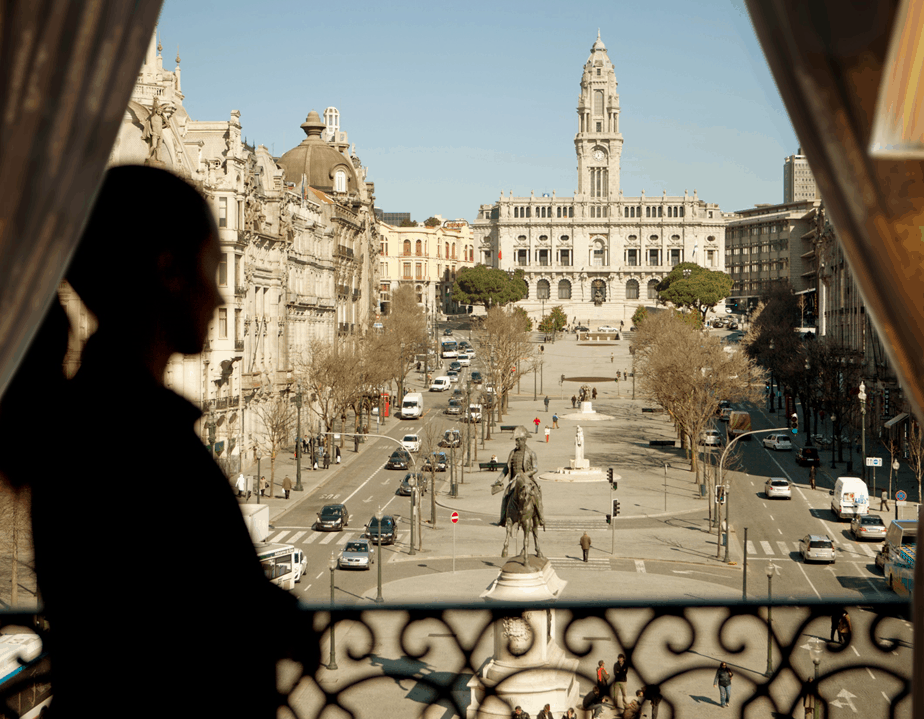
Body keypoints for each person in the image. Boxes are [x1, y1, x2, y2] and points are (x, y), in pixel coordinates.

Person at [11, 165, 313, 718]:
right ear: (168, 270)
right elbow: (165, 621)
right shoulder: (131, 438)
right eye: (212, 267)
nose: (220, 295)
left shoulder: (103, 419)